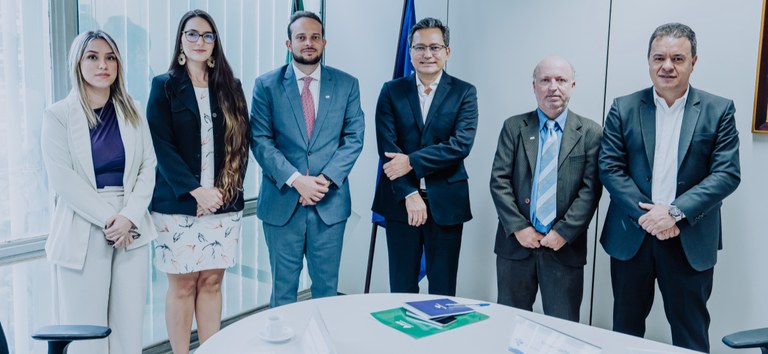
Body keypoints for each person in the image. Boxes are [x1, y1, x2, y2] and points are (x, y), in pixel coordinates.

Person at [599, 23, 740, 352]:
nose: (667, 66)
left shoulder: (719, 110)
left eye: (678, 58)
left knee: (690, 335)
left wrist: (674, 214)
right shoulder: (625, 107)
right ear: (648, 60)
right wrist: (650, 217)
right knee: (625, 332)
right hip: (632, 238)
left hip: (688, 240)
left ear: (694, 61)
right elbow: (609, 167)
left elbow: (726, 174)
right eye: (659, 57)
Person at [41, 30, 157, 354]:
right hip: (85, 223)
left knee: (128, 327)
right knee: (86, 331)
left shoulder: (132, 108)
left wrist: (128, 217)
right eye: (92, 56)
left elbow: (149, 165)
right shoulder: (58, 116)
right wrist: (111, 219)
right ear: (78, 63)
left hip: (131, 224)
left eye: (110, 58)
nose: (102, 64)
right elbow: (62, 179)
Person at [146, 10, 250, 354]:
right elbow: (161, 145)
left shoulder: (230, 87)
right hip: (177, 204)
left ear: (215, 43)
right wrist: (195, 192)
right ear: (181, 41)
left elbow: (241, 144)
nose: (200, 42)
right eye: (192, 34)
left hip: (222, 202)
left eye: (207, 36)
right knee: (182, 285)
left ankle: (210, 350)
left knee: (211, 281)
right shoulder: (163, 86)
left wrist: (220, 193)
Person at [250, 11, 364, 307]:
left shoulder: (347, 84)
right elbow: (260, 140)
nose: (308, 43)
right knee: (283, 293)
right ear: (289, 43)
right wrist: (297, 180)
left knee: (326, 292)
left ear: (324, 42)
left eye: (315, 37)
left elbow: (353, 139)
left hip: (329, 206)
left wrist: (321, 182)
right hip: (282, 204)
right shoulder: (266, 85)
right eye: (301, 37)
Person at [489, 56, 602, 322]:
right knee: (509, 324)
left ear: (572, 85)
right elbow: (499, 180)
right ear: (534, 86)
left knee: (562, 329)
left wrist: (564, 231)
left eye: (561, 80)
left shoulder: (591, 132)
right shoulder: (514, 127)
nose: (553, 87)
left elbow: (591, 189)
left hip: (564, 248)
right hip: (516, 246)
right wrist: (519, 227)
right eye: (545, 80)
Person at [372, 17, 478, 296]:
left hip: (446, 203)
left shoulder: (465, 92)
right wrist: (409, 193)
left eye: (435, 47)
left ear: (447, 52)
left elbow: (460, 145)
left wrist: (411, 160)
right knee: (402, 287)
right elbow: (387, 149)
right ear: (410, 52)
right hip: (399, 202)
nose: (427, 54)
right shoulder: (391, 91)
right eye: (419, 48)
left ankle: (440, 339)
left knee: (442, 290)